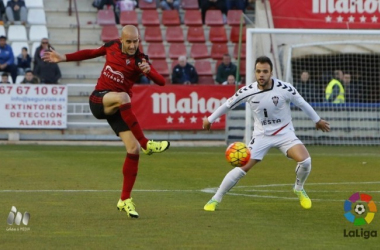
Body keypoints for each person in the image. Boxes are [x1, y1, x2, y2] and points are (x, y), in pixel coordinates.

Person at [43, 25, 170, 218]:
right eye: (129, 41)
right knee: (124, 98)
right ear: (121, 40)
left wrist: (149, 71)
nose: (133, 45)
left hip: (117, 108)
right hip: (99, 99)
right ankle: (146, 143)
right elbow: (91, 53)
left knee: (132, 150)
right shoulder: (111, 46)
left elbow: (161, 82)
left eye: (136, 41)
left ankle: (125, 199)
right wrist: (64, 57)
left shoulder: (140, 60)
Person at [202, 56, 330, 212]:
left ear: (271, 72)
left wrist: (317, 120)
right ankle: (216, 199)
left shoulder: (285, 88)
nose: (261, 75)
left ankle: (298, 188)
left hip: (284, 134)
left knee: (306, 161)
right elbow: (228, 105)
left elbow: (302, 103)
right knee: (241, 169)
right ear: (255, 73)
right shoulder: (248, 91)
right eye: (258, 71)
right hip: (261, 136)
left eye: (265, 71)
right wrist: (210, 119)